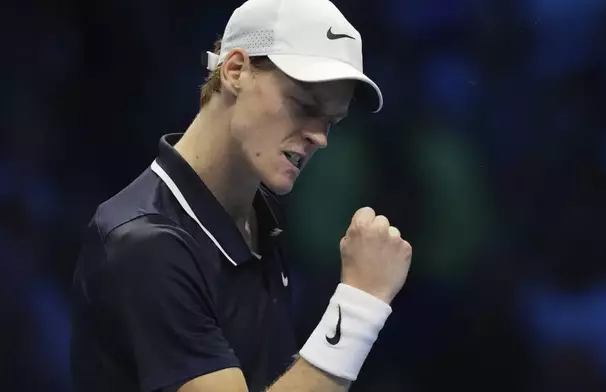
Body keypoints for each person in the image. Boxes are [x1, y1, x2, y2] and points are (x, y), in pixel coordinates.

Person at [69, 0, 412, 391]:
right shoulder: (143, 244)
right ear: (235, 70)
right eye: (304, 106)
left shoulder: (261, 216)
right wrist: (359, 306)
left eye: (331, 121)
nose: (320, 137)